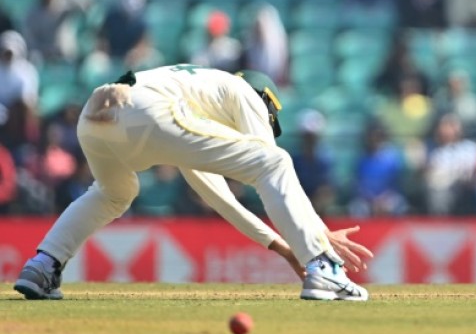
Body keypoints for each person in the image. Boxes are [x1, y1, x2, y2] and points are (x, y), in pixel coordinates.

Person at [14, 65, 372, 301]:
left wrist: (284, 248)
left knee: (115, 193)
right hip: (145, 108)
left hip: (95, 113)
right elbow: (269, 161)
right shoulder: (243, 91)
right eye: (270, 117)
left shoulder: (195, 107)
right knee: (276, 161)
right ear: (265, 100)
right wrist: (318, 239)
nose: (265, 122)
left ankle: (44, 265)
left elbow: (219, 198)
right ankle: (323, 267)